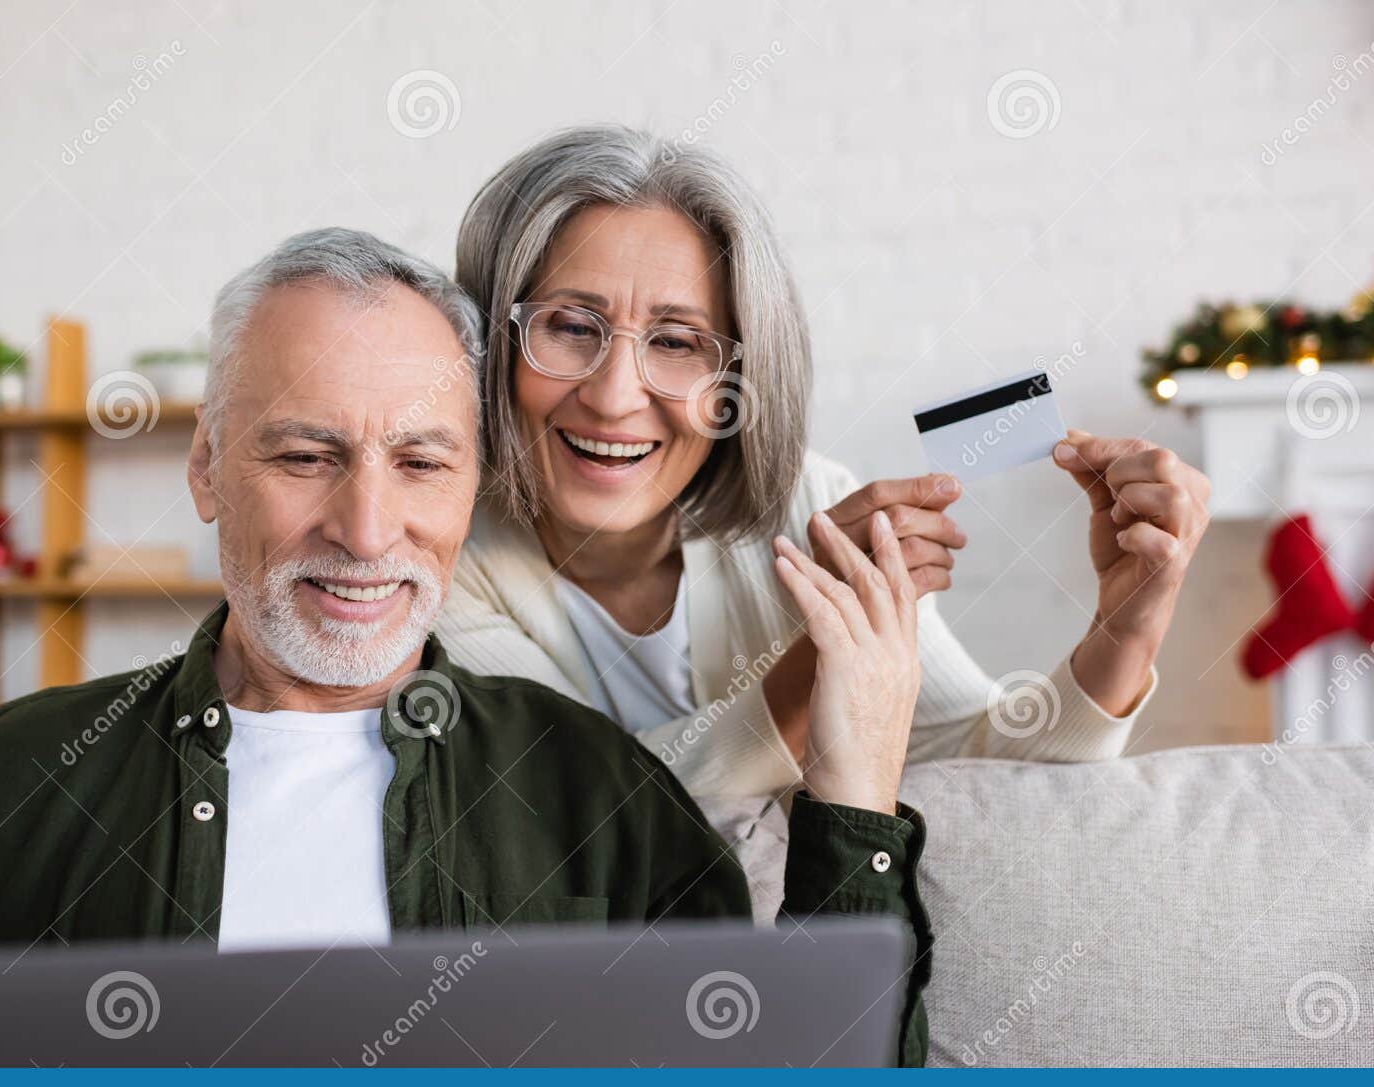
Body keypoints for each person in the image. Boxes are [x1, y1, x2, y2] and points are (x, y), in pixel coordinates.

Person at [0, 227, 935, 1064]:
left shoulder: (594, 790)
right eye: (304, 455)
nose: (367, 531)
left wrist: (852, 793)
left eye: (421, 463)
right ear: (204, 468)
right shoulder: (17, 773)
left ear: (474, 484)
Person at [438, 124, 1212, 803]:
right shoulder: (439, 553)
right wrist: (821, 659)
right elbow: (570, 808)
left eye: (676, 343)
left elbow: (985, 768)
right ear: (491, 343)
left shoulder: (807, 502)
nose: (612, 397)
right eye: (571, 327)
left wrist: (1129, 622)